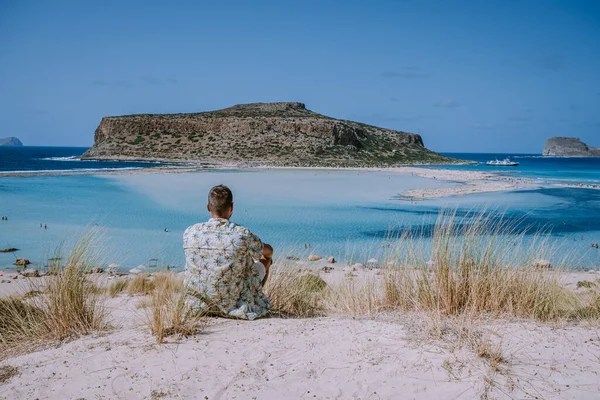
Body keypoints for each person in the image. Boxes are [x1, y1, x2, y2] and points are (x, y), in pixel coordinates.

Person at [183, 185, 273, 320]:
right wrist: (266, 257)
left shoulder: (190, 232)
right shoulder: (241, 234)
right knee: (266, 260)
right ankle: (256, 300)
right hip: (232, 302)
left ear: (208, 207)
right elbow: (268, 251)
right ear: (231, 208)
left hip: (196, 303)